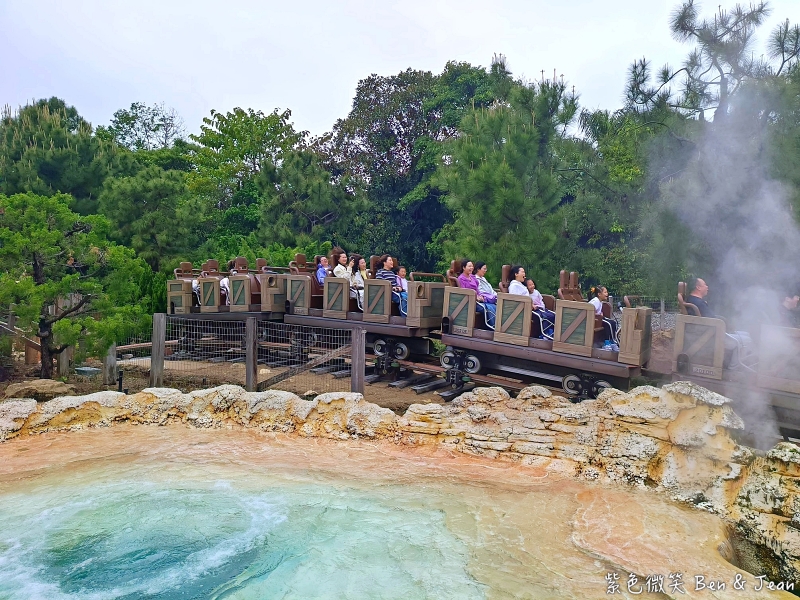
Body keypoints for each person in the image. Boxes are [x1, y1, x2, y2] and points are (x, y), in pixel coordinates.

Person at [457, 259, 496, 328]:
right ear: (464, 268)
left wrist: (480, 296)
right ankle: (492, 326)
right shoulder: (461, 279)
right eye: (469, 266)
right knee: (488, 308)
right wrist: (475, 297)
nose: (471, 268)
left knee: (493, 306)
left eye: (472, 266)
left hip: (477, 299)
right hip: (470, 301)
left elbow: (477, 289)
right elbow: (464, 292)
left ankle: (495, 325)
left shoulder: (472, 277)